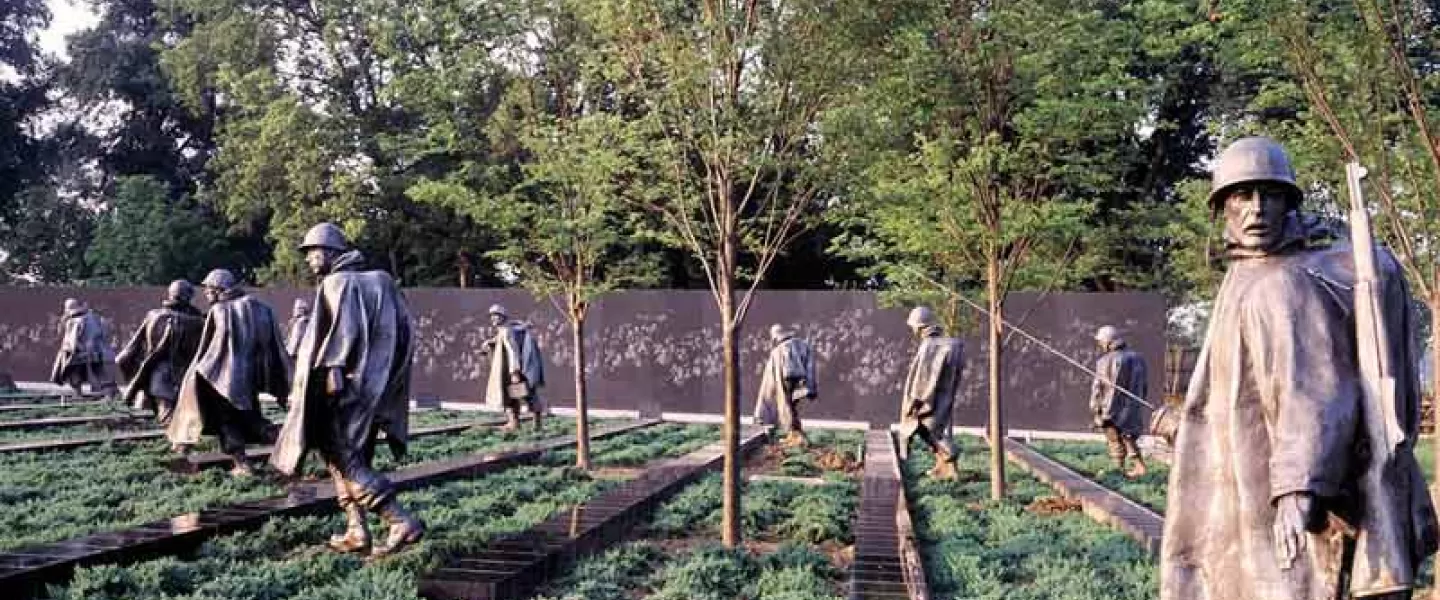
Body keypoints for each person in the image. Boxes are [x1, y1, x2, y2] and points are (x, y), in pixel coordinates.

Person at [1160, 137, 1438, 600]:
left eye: (1269, 195)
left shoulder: (1282, 283)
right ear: (1222, 208)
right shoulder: (1247, 273)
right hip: (1245, 477)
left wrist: (1296, 486)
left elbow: (1311, 390)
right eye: (1241, 196)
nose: (1256, 210)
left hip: (1280, 486)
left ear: (1289, 202)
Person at [270, 222, 423, 558]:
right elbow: (406, 332)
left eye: (312, 253)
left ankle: (399, 520)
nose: (310, 261)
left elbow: (342, 330)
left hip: (342, 389)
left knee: (345, 458)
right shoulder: (382, 281)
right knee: (345, 459)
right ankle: (356, 530)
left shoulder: (336, 282)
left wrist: (335, 368)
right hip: (374, 388)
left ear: (329, 252)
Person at [168, 269, 290, 475]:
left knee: (227, 421)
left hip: (223, 379)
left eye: (208, 290)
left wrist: (194, 377)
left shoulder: (220, 311)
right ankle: (289, 446)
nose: (206, 295)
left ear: (218, 289)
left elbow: (207, 352)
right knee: (252, 419)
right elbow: (275, 346)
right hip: (251, 376)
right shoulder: (261, 308)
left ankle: (243, 464)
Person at [116, 280, 205, 424]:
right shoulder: (196, 322)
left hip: (156, 375)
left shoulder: (154, 315)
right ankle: (179, 444)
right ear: (187, 297)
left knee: (169, 415)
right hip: (182, 376)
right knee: (171, 418)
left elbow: (133, 347)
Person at [898, 306, 963, 479]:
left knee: (926, 429)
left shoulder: (929, 345)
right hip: (943, 395)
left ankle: (950, 455)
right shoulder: (946, 344)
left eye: (913, 326)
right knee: (931, 430)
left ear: (919, 326)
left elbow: (922, 377)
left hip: (930, 398)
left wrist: (914, 401)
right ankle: (943, 467)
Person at [1087, 325, 1149, 478]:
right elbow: (1144, 385)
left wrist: (1095, 409)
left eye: (1101, 342)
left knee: (1114, 438)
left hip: (1110, 408)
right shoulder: (1138, 358)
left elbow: (1098, 388)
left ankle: (1119, 468)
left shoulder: (1104, 361)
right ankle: (1137, 466)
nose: (1100, 345)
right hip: (1132, 406)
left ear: (1108, 341)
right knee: (1128, 436)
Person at [754, 323, 818, 447]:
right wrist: (809, 384)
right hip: (801, 380)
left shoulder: (780, 349)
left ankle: (794, 435)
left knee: (786, 406)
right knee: (792, 407)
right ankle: (795, 433)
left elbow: (779, 372)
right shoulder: (802, 344)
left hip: (787, 378)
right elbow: (810, 365)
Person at [483, 304, 546, 431]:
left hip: (515, 371)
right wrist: (490, 342)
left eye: (496, 316)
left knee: (525, 395)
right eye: (492, 316)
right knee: (513, 396)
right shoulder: (506, 330)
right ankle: (516, 423)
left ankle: (533, 424)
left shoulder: (507, 331)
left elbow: (513, 351)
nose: (493, 319)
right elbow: (501, 339)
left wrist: (514, 372)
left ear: (502, 317)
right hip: (514, 370)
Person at [49, 298, 119, 397]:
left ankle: (88, 394)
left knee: (78, 372)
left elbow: (72, 340)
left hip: (83, 352)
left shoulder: (77, 321)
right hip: (90, 352)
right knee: (84, 373)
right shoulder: (94, 318)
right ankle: (84, 393)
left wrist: (79, 348)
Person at [285, 298, 311, 362]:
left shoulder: (302, 322)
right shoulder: (293, 321)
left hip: (298, 354)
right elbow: (289, 338)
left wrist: (290, 352)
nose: (294, 310)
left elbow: (296, 338)